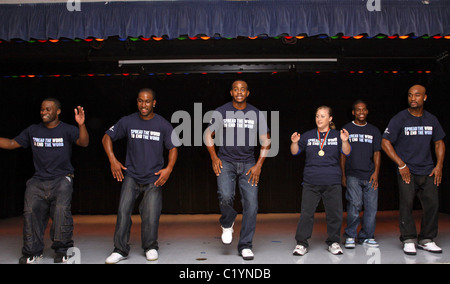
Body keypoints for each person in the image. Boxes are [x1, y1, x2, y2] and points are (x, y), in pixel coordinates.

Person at [0, 98, 89, 264]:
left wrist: (81, 124)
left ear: (58, 111)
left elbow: (84, 142)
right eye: (42, 109)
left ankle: (62, 251)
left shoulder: (67, 129)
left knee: (61, 214)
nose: (44, 112)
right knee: (30, 214)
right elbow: (12, 143)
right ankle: (32, 252)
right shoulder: (33, 130)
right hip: (38, 179)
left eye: (48, 109)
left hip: (62, 179)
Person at [103, 88, 178, 264]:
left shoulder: (163, 124)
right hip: (131, 175)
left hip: (153, 177)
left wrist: (169, 168)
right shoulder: (127, 121)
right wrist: (113, 160)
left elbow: (173, 147)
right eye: (140, 101)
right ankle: (119, 250)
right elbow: (106, 137)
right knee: (123, 211)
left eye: (147, 101)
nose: (143, 105)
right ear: (137, 102)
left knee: (151, 214)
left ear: (154, 103)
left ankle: (150, 247)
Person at [205, 80, 270, 260]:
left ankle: (246, 245)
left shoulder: (256, 113)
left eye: (243, 89)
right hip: (226, 161)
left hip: (249, 163)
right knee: (225, 196)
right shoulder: (221, 111)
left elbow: (266, 141)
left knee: (252, 205)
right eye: (236, 89)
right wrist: (214, 157)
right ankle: (227, 223)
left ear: (247, 93)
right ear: (231, 93)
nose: (239, 92)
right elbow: (208, 135)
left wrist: (258, 165)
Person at [382, 84, 445, 255]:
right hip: (407, 171)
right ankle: (409, 238)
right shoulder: (400, 118)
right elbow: (385, 142)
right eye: (410, 95)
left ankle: (426, 239)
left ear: (424, 97)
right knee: (406, 205)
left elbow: (439, 142)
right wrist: (401, 164)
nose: (412, 98)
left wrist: (439, 166)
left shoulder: (431, 119)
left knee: (432, 205)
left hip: (428, 170)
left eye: (417, 95)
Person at [290, 106, 351, 256]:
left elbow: (347, 151)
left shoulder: (338, 135)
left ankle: (334, 242)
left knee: (334, 214)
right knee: (306, 214)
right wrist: (294, 142)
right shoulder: (308, 135)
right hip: (311, 181)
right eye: (317, 116)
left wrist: (345, 141)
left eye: (323, 116)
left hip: (332, 181)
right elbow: (294, 152)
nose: (319, 119)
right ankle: (301, 243)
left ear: (330, 119)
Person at [340, 100, 381, 249]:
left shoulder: (374, 130)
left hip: (370, 175)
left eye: (364, 109)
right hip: (352, 174)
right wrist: (343, 174)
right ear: (353, 112)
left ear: (367, 111)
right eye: (358, 110)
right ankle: (351, 235)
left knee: (371, 207)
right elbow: (343, 154)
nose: (361, 112)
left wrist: (376, 173)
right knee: (354, 205)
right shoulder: (347, 129)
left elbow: (377, 153)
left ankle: (367, 236)